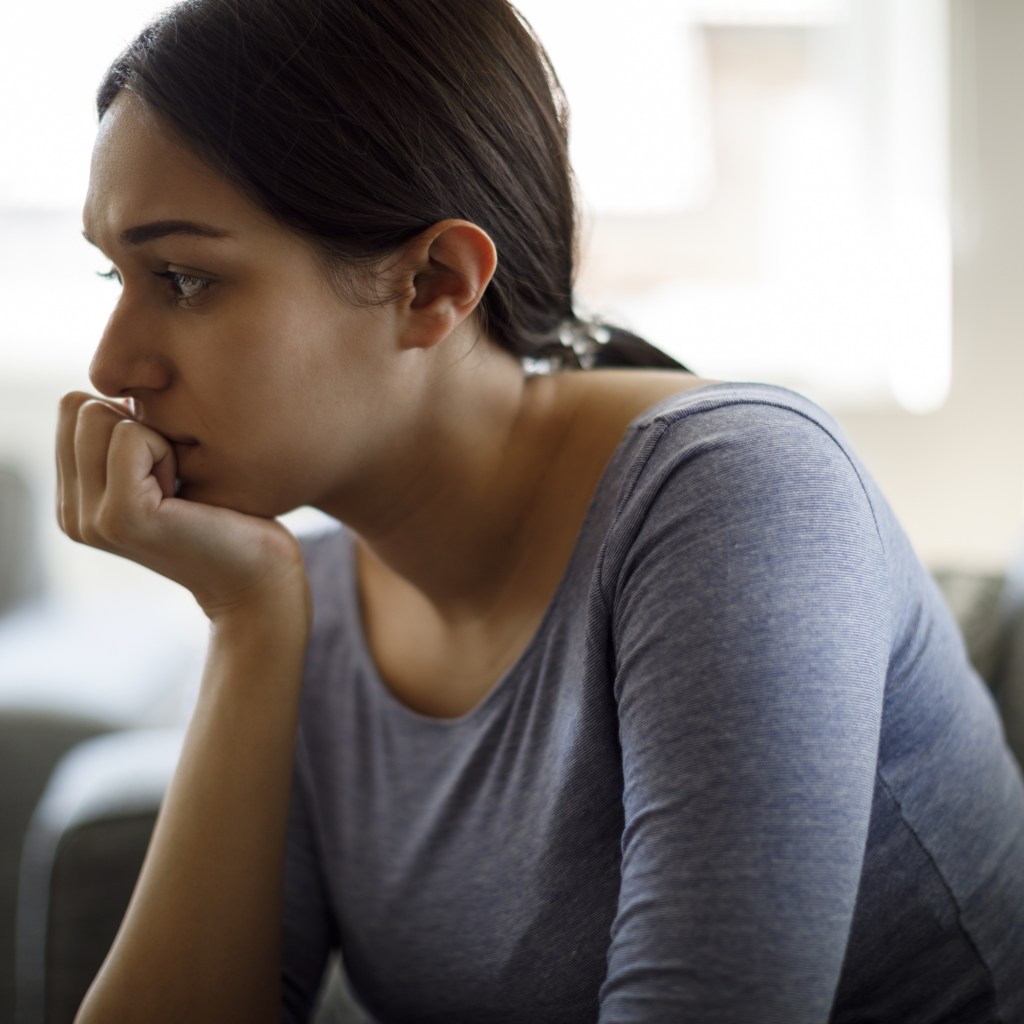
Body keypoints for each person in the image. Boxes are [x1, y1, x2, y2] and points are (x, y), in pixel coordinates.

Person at [56, 1, 1024, 1021]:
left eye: (184, 278)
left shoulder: (735, 493)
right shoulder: (317, 599)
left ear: (435, 285)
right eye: (115, 274)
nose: (111, 365)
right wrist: (249, 624)